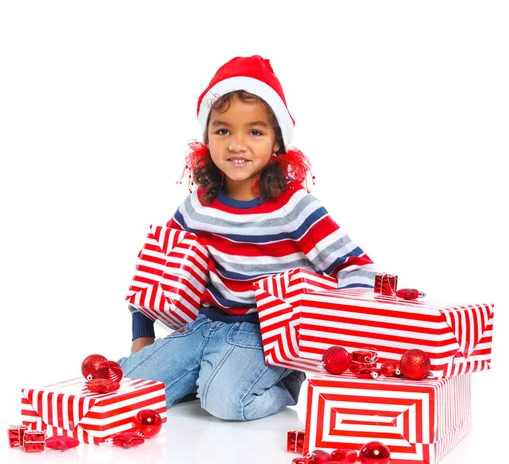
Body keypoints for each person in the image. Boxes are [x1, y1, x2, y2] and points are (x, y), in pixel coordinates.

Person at [117, 55, 376, 421]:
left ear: (276, 142)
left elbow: (358, 269)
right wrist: (142, 332)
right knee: (129, 386)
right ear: (207, 138)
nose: (237, 144)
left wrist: (325, 330)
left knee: (225, 403)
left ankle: (282, 386)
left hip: (263, 337)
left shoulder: (294, 208)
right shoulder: (197, 206)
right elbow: (156, 269)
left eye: (254, 132)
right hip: (201, 326)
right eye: (223, 131)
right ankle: (200, 372)